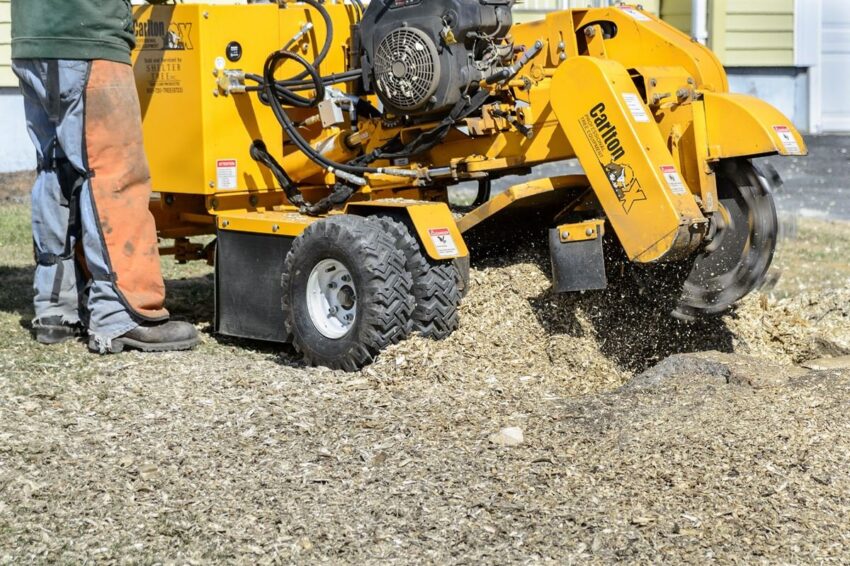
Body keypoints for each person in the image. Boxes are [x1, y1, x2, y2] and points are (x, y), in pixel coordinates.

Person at [11, 0, 200, 353]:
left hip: (32, 40)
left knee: (56, 170)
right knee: (115, 172)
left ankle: (55, 309)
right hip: (89, 36)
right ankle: (121, 314)